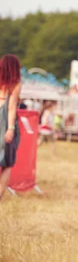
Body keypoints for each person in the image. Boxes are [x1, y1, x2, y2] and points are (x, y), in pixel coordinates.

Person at [0, 54, 22, 200]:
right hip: (6, 122)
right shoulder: (15, 84)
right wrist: (11, 129)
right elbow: (12, 107)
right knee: (7, 164)